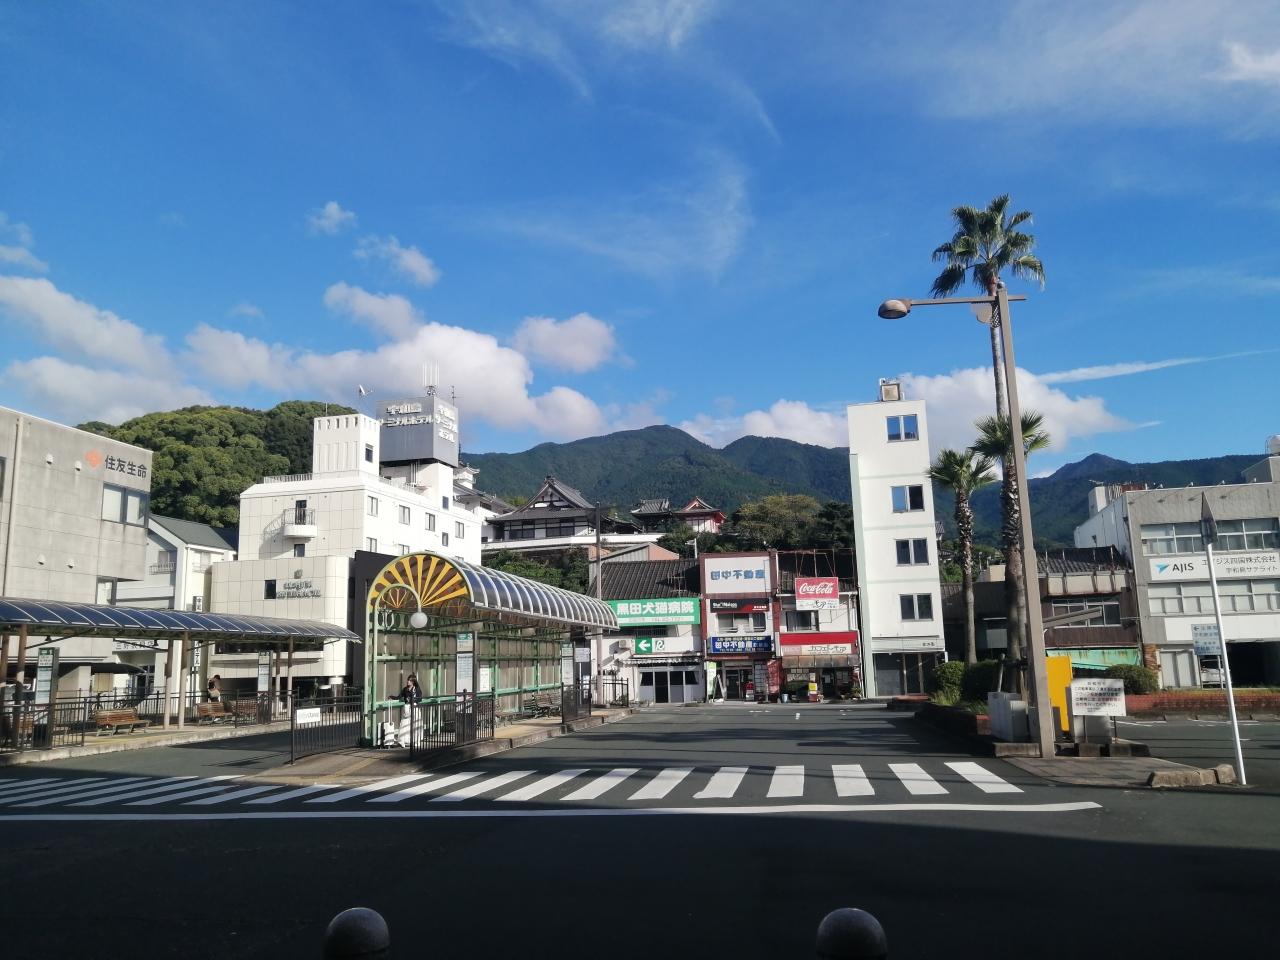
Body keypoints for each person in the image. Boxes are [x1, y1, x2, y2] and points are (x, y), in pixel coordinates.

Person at [395, 674, 422, 747]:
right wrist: (392, 697)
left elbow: (420, 699)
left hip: (414, 707)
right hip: (407, 708)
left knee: (415, 724)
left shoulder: (416, 689)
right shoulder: (405, 689)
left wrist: (412, 699)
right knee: (404, 723)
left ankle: (416, 741)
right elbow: (399, 697)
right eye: (408, 680)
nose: (408, 681)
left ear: (413, 682)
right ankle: (402, 741)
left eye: (410, 680)